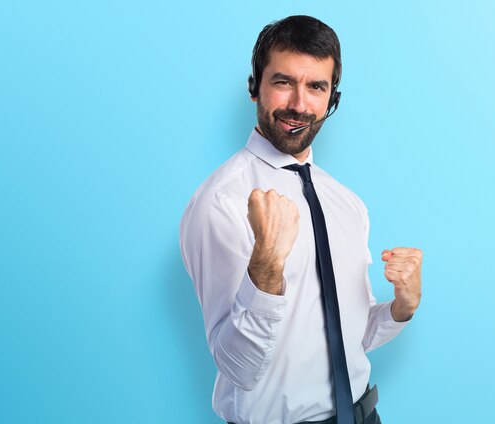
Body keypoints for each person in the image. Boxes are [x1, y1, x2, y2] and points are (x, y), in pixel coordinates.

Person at [179, 15, 422, 424]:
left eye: (315, 87)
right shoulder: (220, 202)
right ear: (254, 86)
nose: (298, 104)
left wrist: (401, 308)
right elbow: (237, 367)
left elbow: (350, 336)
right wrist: (266, 270)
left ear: (333, 100)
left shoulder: (347, 203)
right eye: (283, 82)